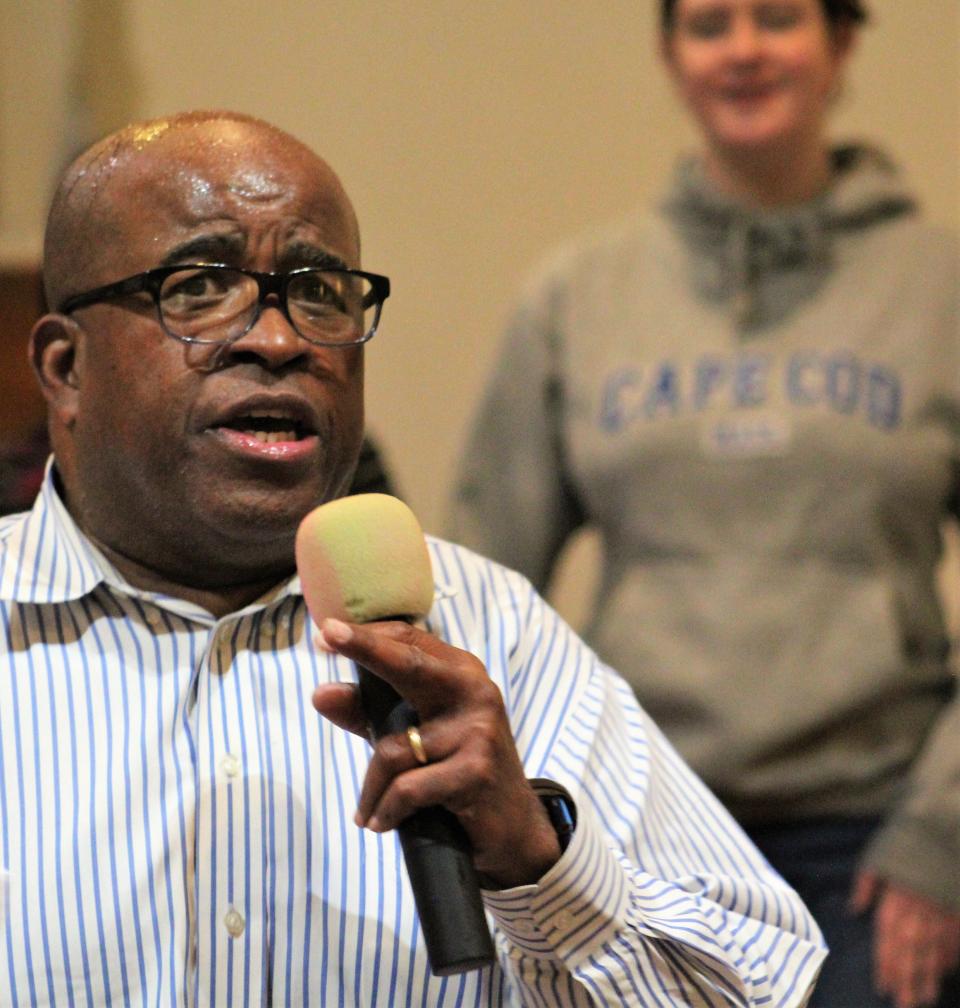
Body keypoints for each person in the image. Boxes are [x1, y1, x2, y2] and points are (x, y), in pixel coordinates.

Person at [0, 110, 824, 1006]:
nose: (281, 340)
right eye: (199, 286)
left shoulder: (489, 631)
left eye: (320, 293)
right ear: (65, 368)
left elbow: (755, 991)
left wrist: (539, 863)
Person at [446, 2, 960, 1007]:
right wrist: (521, 817)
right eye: (710, 23)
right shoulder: (576, 294)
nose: (745, 50)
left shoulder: (940, 290)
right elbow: (480, 594)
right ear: (671, 56)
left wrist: (944, 838)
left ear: (841, 45)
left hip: (872, 850)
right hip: (632, 832)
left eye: (779, 18)